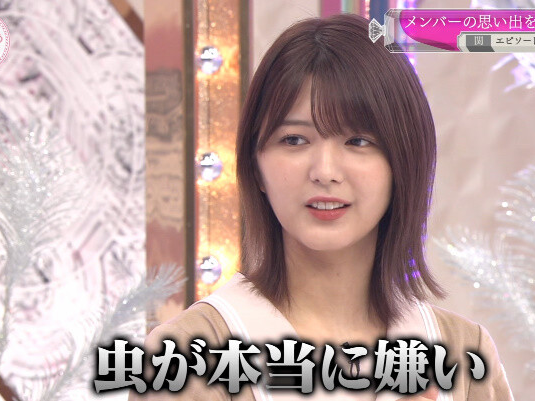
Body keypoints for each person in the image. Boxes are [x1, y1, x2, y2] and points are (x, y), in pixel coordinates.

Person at [141, 13, 514, 401]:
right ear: (256, 164)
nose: (325, 172)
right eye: (294, 140)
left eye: (357, 141)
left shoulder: (462, 352)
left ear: (403, 163)